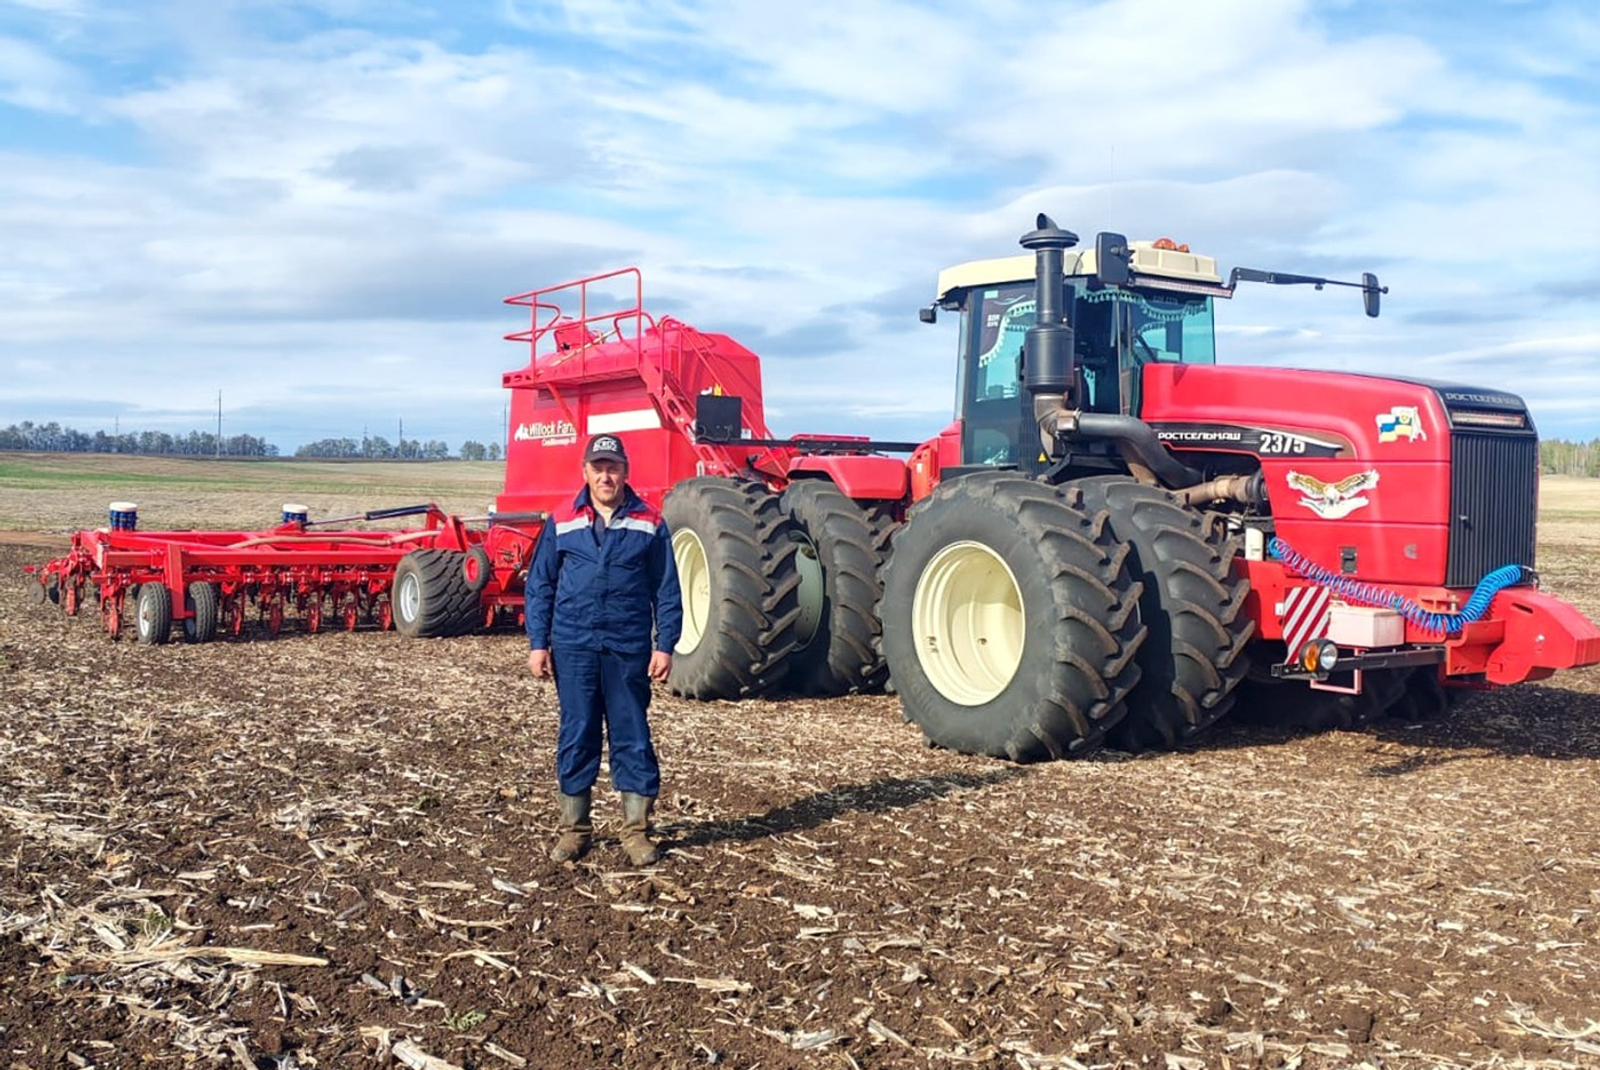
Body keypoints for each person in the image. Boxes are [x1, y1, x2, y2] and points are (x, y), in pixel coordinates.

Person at [525, 432, 682, 866]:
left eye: (613, 468)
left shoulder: (650, 522)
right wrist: (538, 643)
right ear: (585, 472)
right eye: (598, 468)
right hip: (573, 645)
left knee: (632, 736)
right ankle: (575, 830)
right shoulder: (562, 520)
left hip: (627, 648)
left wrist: (665, 645)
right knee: (577, 734)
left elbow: (667, 590)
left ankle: (636, 832)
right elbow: (540, 585)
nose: (605, 476)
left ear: (625, 472)